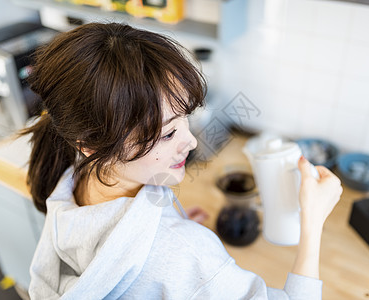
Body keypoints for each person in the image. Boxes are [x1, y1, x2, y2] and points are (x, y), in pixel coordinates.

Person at [22, 22, 343, 299]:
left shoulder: (75, 177)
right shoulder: (183, 251)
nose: (189, 142)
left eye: (185, 119)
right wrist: (312, 223)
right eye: (166, 134)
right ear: (91, 144)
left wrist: (159, 224)